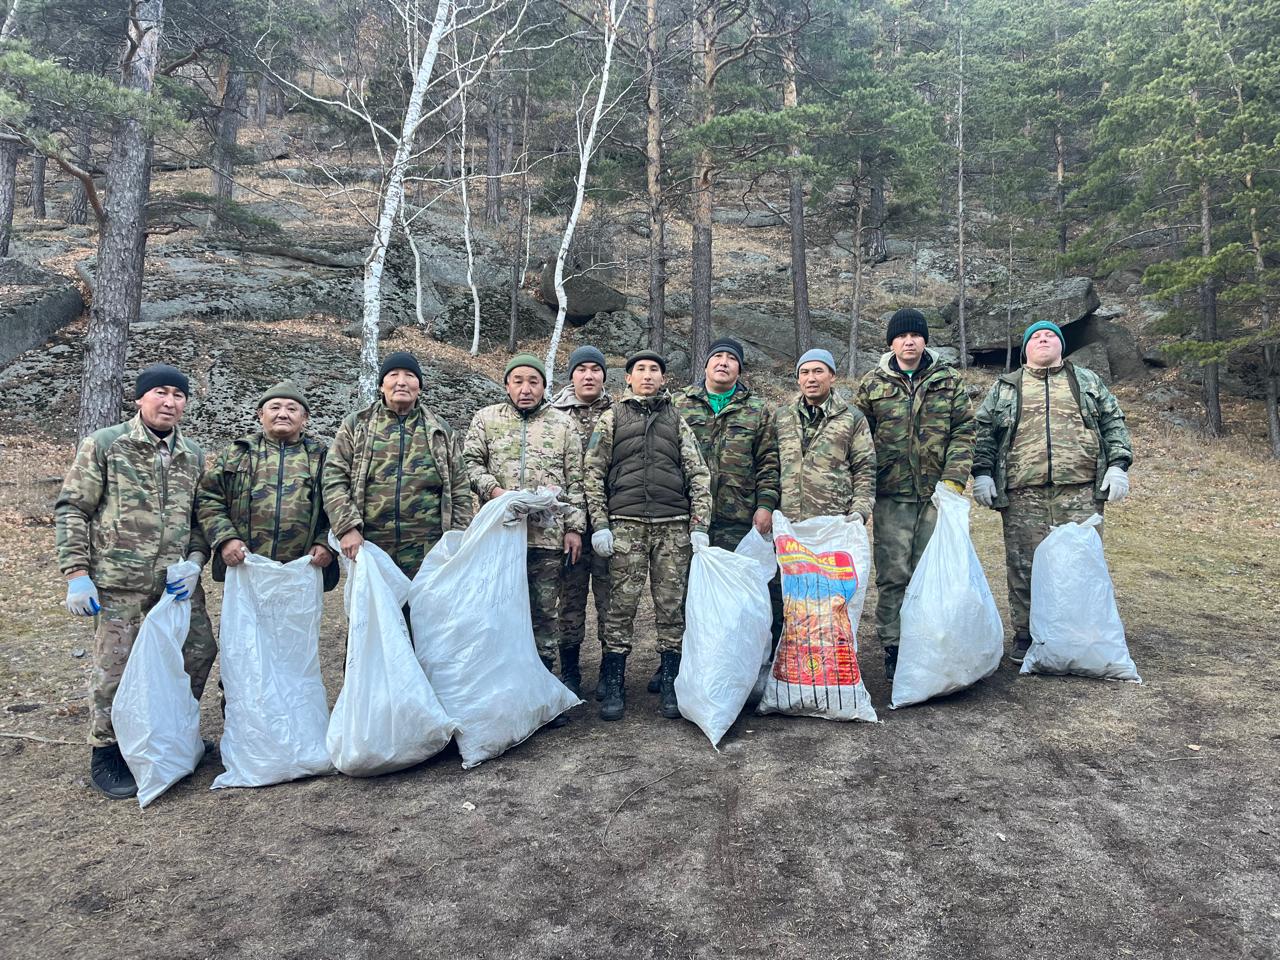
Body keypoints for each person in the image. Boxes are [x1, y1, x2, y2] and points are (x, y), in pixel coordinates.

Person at [55, 363, 217, 800]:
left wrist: (195, 561)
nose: (170, 402)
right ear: (140, 398)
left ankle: (169, 729)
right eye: (160, 392)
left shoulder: (193, 454)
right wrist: (77, 574)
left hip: (175, 584)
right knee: (115, 665)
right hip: (118, 581)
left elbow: (200, 519)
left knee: (199, 651)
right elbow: (73, 508)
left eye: (178, 395)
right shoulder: (107, 444)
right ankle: (107, 750)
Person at [972, 320, 1134, 662]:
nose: (1043, 339)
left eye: (1050, 336)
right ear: (1026, 349)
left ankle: (1080, 634)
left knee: (1079, 564)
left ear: (1061, 345)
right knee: (1025, 565)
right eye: (1036, 337)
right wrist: (982, 473)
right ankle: (1026, 634)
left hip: (1080, 491)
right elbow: (985, 433)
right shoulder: (1006, 387)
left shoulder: (1086, 381)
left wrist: (1118, 465)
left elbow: (1113, 421)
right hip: (1022, 492)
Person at [584, 350, 712, 721]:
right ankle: (614, 682)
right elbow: (592, 472)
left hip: (673, 526)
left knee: (671, 608)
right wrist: (600, 523)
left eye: (654, 370)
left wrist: (699, 525)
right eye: (640, 369)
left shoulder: (677, 419)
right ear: (628, 377)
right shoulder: (611, 418)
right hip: (626, 525)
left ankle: (672, 681)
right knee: (620, 608)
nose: (647, 375)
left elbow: (698, 473)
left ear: (663, 378)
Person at [855, 309, 974, 678]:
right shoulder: (872, 384)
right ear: (891, 342)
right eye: (902, 336)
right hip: (891, 496)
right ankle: (894, 647)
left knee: (933, 572)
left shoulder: (948, 380)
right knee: (893, 575)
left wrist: (953, 480)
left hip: (937, 495)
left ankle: (931, 643)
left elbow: (964, 431)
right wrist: (865, 488)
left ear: (925, 340)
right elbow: (859, 441)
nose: (909, 342)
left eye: (915, 335)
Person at [463, 353, 587, 698]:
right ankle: (502, 689)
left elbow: (577, 480)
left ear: (545, 387)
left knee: (544, 614)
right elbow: (469, 463)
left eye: (533, 382)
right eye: (518, 381)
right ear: (507, 385)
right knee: (498, 611)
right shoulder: (486, 419)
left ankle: (541, 690)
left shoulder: (563, 425)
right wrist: (495, 491)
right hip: (499, 536)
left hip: (546, 538)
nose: (525, 389)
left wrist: (574, 528)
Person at [674, 336, 782, 688]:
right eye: (717, 357)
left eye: (731, 358)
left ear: (739, 368)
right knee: (688, 594)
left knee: (740, 597)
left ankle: (740, 669)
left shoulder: (758, 410)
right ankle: (684, 665)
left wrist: (765, 505)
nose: (723, 362)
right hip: (690, 518)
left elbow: (769, 462)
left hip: (740, 519)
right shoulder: (679, 404)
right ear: (705, 365)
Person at [322, 351, 473, 579]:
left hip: (430, 551)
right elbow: (333, 478)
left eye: (410, 376)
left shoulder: (439, 429)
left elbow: (460, 487)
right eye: (393, 375)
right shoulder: (357, 425)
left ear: (419, 387)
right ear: (381, 385)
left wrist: (459, 538)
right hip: (369, 546)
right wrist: (346, 528)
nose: (401, 382)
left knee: (428, 603)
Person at [196, 380, 337, 591]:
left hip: (303, 571)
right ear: (261, 415)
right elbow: (208, 498)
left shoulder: (323, 457)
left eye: (292, 409)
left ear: (305, 418)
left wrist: (326, 543)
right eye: (275, 407)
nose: (283, 414)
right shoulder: (237, 453)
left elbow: (341, 502)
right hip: (244, 567)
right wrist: (225, 538)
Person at [550, 346, 613, 699]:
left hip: (610, 522)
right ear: (571, 375)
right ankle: (570, 671)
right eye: (581, 369)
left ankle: (609, 671)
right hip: (567, 526)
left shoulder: (619, 411)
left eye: (595, 369)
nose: (588, 375)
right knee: (570, 600)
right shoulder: (553, 414)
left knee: (610, 601)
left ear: (604, 374)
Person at [776, 348, 877, 524]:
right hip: (787, 524)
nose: (811, 378)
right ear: (798, 379)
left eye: (818, 371)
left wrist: (860, 511)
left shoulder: (852, 418)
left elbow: (865, 469)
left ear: (832, 376)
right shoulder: (781, 417)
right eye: (804, 372)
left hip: (834, 523)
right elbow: (768, 467)